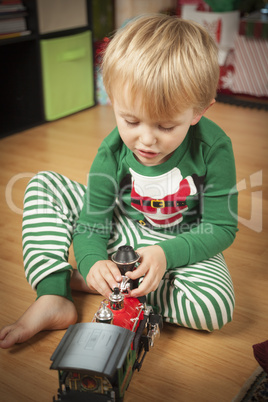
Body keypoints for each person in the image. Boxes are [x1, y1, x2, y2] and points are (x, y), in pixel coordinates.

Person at [0, 14, 238, 349]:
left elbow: (220, 227)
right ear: (113, 100)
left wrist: (165, 255)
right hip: (122, 229)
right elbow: (92, 223)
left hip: (184, 241)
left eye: (166, 127)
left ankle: (105, 282)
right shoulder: (111, 151)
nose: (145, 140)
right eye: (130, 120)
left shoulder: (214, 148)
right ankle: (54, 292)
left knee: (213, 309)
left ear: (199, 111)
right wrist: (93, 259)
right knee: (44, 185)